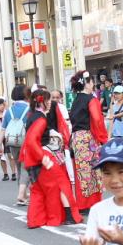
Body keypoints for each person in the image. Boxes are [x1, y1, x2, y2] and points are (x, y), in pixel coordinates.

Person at [21, 90, 81, 228]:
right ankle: (67, 216)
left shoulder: (31, 116)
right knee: (60, 185)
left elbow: (29, 141)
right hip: (43, 155)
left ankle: (35, 220)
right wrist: (43, 158)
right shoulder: (41, 119)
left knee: (37, 190)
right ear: (40, 101)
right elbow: (31, 140)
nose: (50, 103)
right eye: (47, 100)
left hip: (33, 158)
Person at [70, 72, 109, 212]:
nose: (93, 85)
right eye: (91, 82)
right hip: (88, 138)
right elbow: (97, 121)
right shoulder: (91, 100)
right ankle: (91, 203)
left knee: (80, 172)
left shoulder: (76, 100)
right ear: (87, 83)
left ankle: (82, 203)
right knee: (92, 172)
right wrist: (104, 139)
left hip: (75, 138)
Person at [0, 85, 31, 202]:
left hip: (12, 143)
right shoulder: (29, 109)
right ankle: (21, 194)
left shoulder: (9, 111)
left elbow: (2, 129)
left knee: (18, 167)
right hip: (25, 142)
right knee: (26, 167)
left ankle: (23, 192)